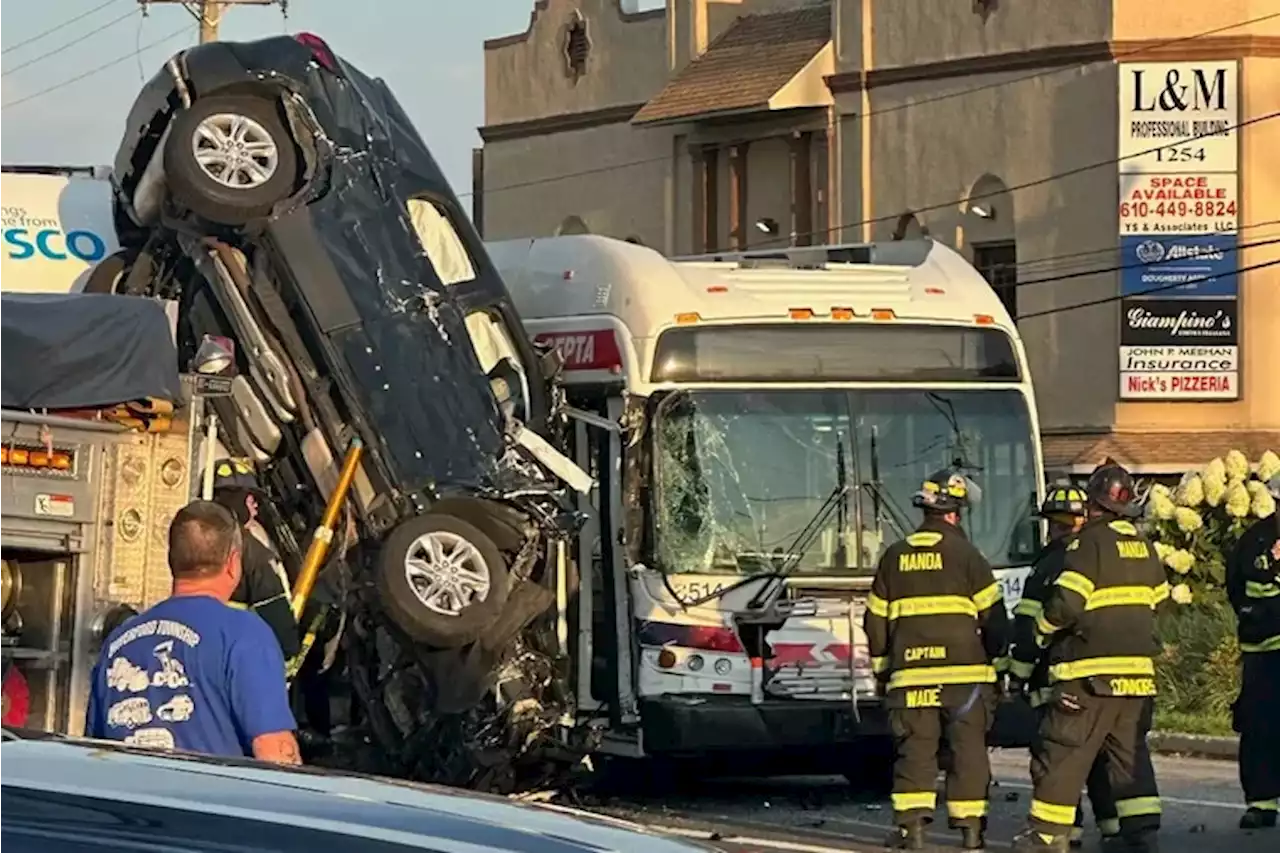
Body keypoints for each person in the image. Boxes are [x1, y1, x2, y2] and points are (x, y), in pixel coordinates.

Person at [1011, 462, 1168, 853]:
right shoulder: (1143, 546)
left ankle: (1046, 837)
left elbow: (1067, 604)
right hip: (1138, 677)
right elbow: (1160, 603)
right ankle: (1140, 833)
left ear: (1093, 506)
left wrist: (1043, 630)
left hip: (1089, 675)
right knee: (1127, 754)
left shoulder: (1087, 545)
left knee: (1063, 752)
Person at [85, 500, 301, 765]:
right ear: (233, 562)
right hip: (208, 804)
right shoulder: (246, 635)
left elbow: (94, 754)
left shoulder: (118, 643)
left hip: (130, 803)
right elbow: (274, 752)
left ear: (171, 560)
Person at [865, 468, 1009, 851]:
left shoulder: (894, 557)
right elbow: (994, 618)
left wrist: (882, 671)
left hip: (911, 677)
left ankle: (912, 831)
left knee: (915, 750)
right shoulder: (968, 556)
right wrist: (999, 662)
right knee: (968, 751)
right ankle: (971, 831)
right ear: (954, 514)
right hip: (965, 682)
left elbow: (875, 622)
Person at [1224, 474, 1280, 830]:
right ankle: (1262, 802)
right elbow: (1236, 586)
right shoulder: (1254, 541)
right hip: (1262, 653)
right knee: (1260, 727)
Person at [208, 458, 300, 662]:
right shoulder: (252, 552)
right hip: (232, 658)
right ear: (238, 501)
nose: (256, 507)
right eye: (252, 500)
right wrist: (290, 647)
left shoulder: (194, 537)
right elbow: (277, 616)